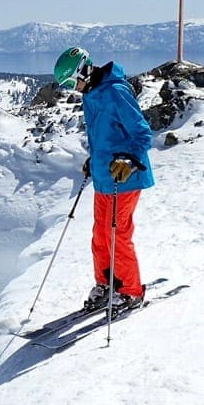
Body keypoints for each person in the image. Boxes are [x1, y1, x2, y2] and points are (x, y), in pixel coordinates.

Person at [54, 47, 155, 311]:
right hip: (104, 176)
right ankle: (108, 283)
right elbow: (105, 137)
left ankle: (131, 291)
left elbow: (143, 133)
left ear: (84, 70)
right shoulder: (90, 95)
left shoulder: (116, 92)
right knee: (101, 234)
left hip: (126, 177)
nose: (71, 88)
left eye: (70, 81)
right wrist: (95, 160)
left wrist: (129, 159)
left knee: (118, 234)